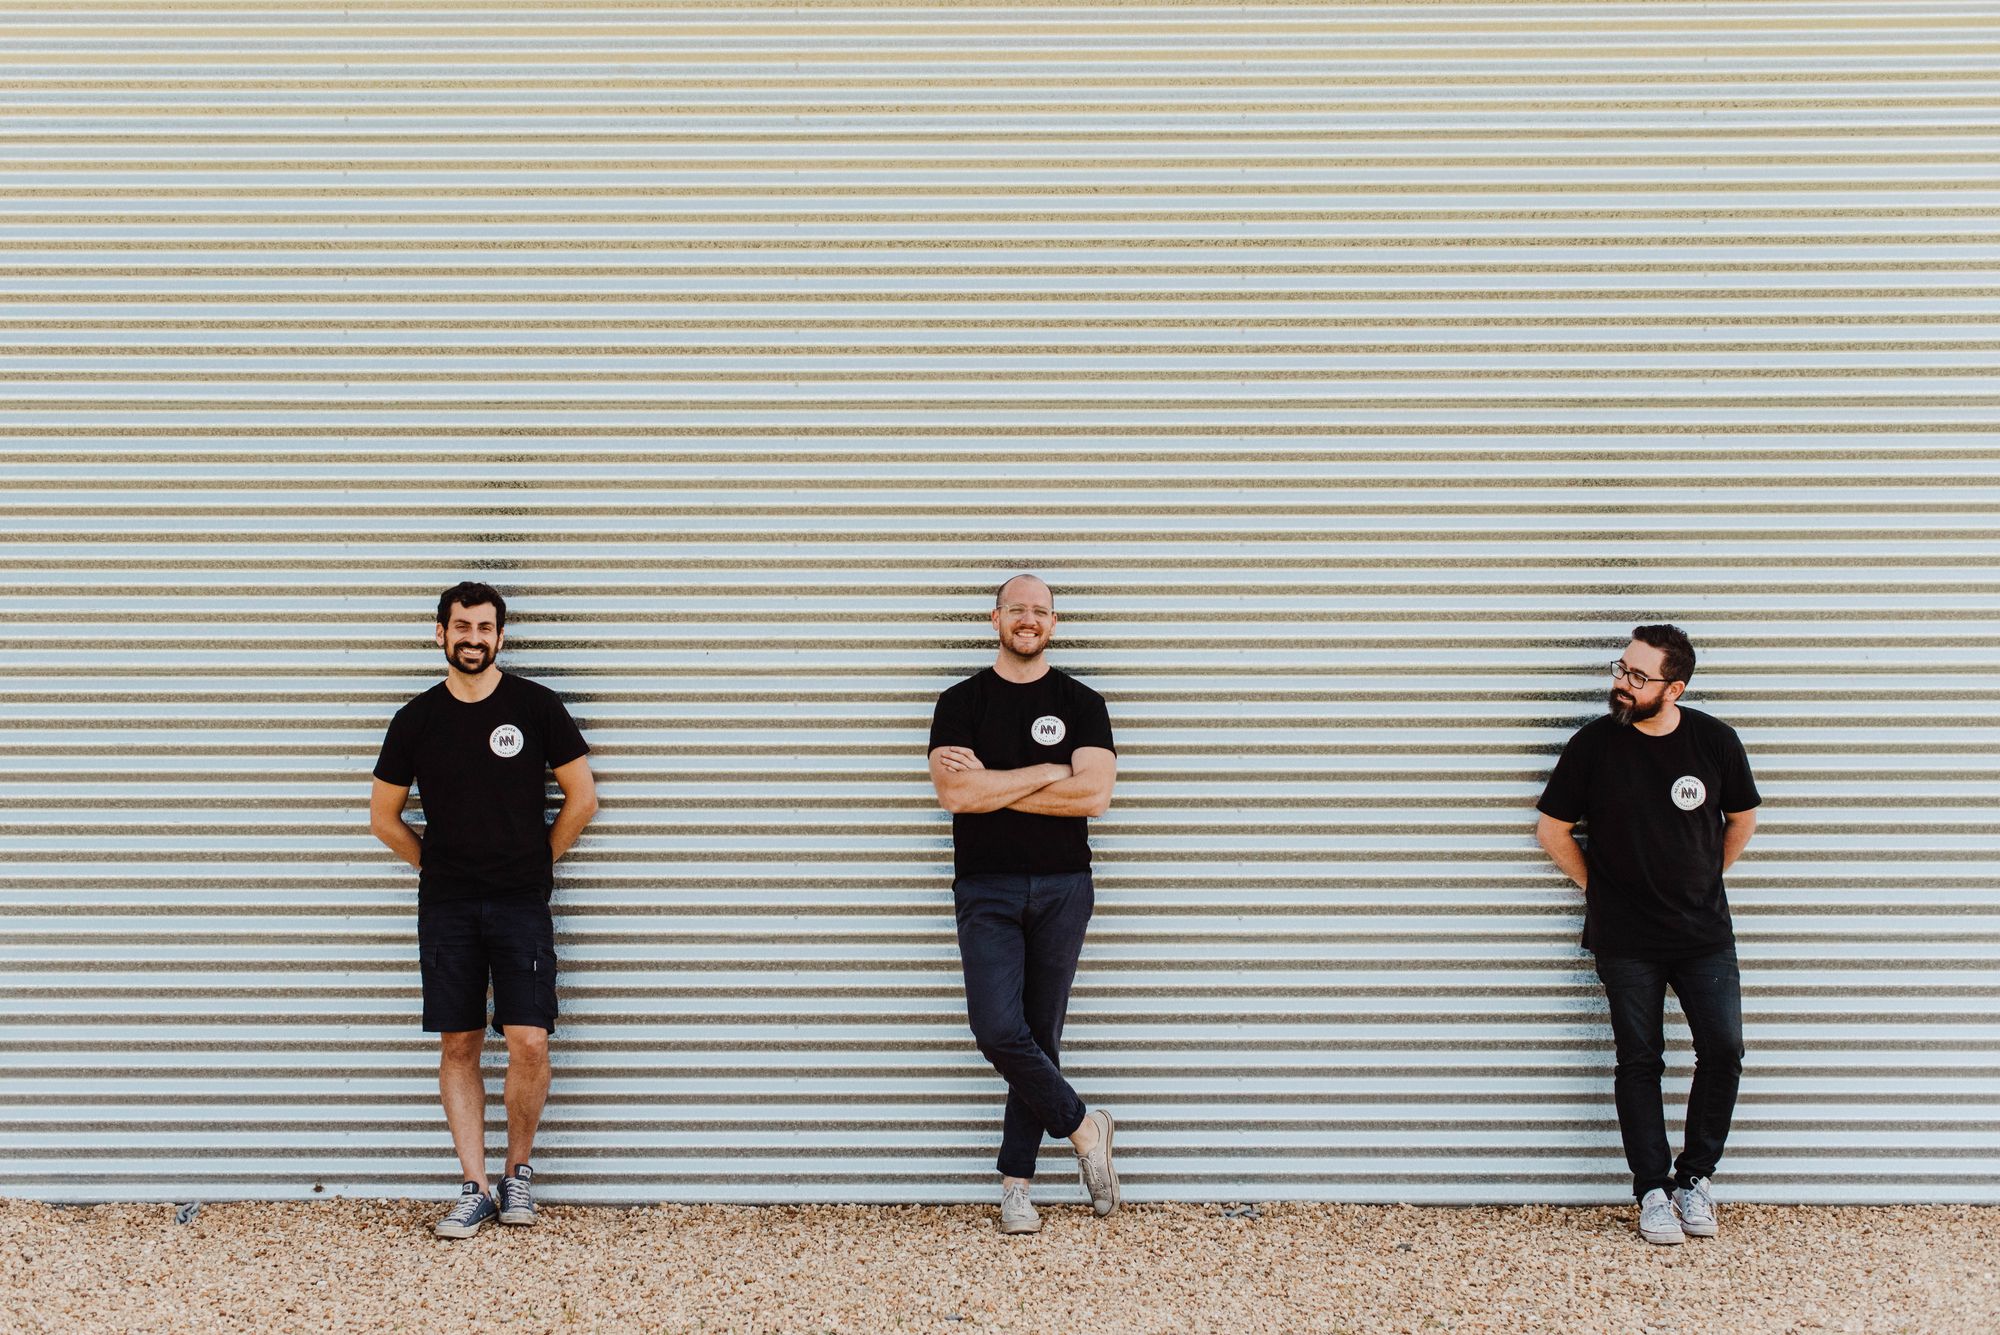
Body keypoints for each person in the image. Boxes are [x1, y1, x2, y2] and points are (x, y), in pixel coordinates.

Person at [369, 581, 598, 1239]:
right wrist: (434, 865)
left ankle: (516, 1173)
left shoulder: (535, 706)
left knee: (528, 1038)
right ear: (439, 633)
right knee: (460, 1040)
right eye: (461, 626)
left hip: (520, 902)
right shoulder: (416, 719)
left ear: (501, 635)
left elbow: (582, 797)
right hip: (446, 905)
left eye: (485, 627)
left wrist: (535, 863)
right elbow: (383, 818)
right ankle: (473, 1185)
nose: (473, 638)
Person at [1535, 624, 1760, 1245]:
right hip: (1625, 940)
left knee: (1724, 1051)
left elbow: (1742, 817)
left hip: (1704, 935)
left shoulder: (1715, 742)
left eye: (1638, 676)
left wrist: (1702, 879)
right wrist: (1602, 891)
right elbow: (1552, 831)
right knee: (1641, 1060)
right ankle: (1652, 1190)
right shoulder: (1593, 746)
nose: (1621, 684)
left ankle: (1695, 1180)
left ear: (1675, 686)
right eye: (1621, 669)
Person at [927, 573, 1121, 1234]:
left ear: (1054, 623)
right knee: (998, 1029)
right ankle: (1084, 1126)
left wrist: (994, 783)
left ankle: (1017, 1185)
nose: (1028, 619)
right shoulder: (958, 702)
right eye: (1017, 609)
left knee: (1040, 1034)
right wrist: (1046, 771)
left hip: (1066, 886)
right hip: (987, 888)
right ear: (996, 618)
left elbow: (1093, 795)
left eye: (1040, 610)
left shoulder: (1084, 702)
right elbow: (956, 797)